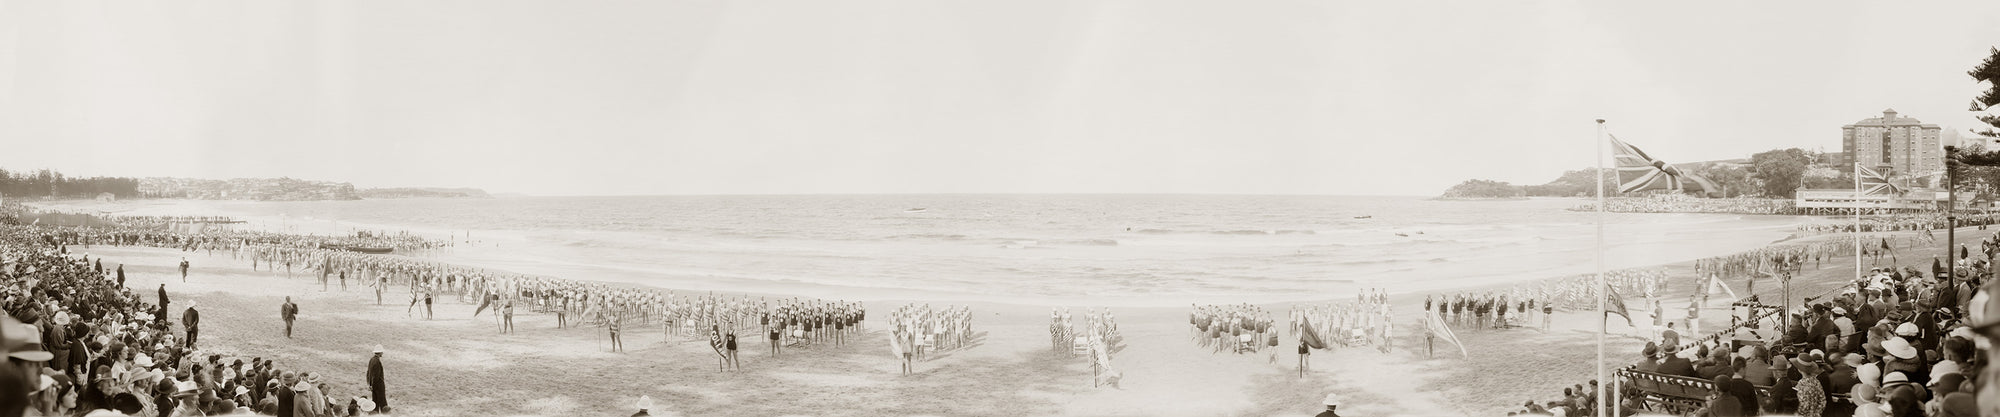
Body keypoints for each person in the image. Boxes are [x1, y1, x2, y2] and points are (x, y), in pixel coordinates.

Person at [367, 345, 387, 414]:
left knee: (375, 403)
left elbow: (368, 373)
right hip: (378, 386)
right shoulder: (377, 362)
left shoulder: (371, 360)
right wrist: (374, 386)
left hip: (373, 386)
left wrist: (370, 384)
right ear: (380, 352)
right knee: (382, 404)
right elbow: (376, 376)